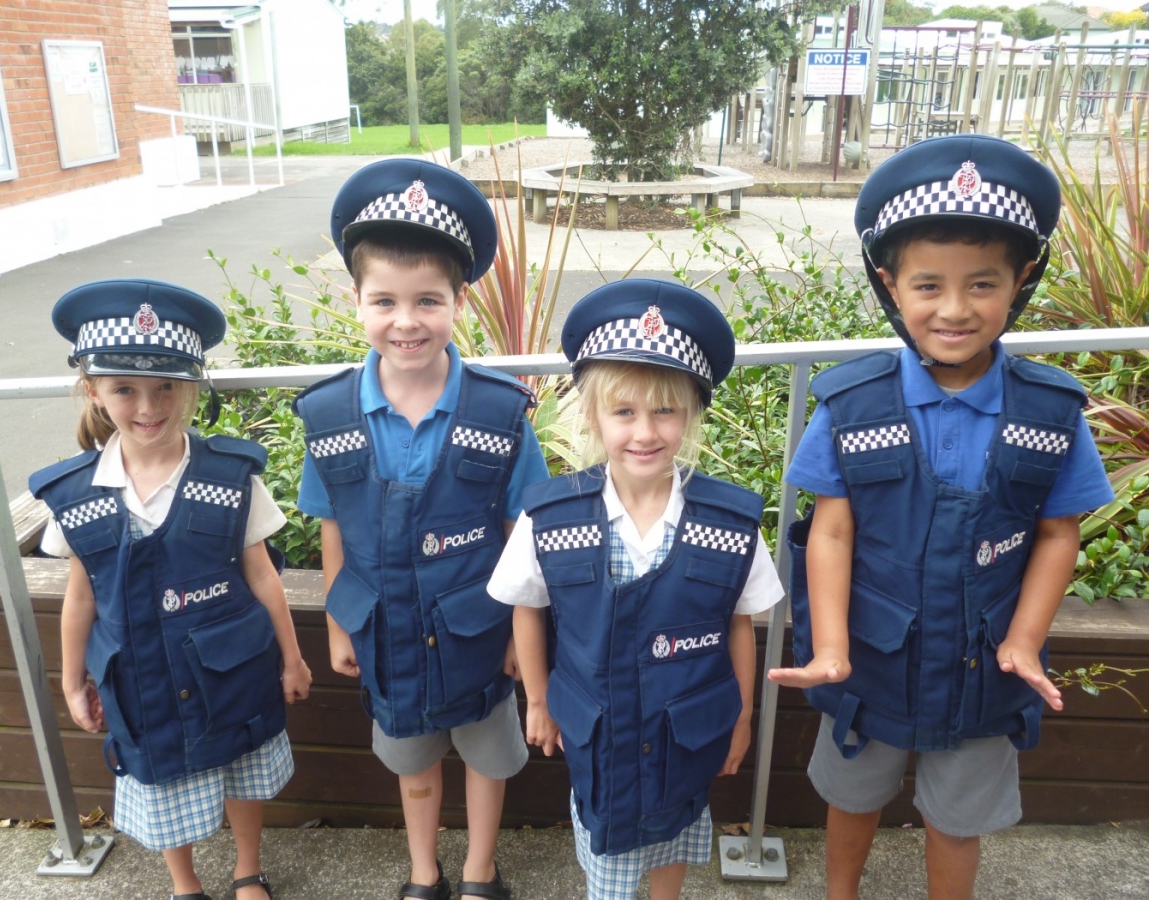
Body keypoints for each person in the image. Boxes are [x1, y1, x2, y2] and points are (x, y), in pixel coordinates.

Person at [767, 135, 1115, 900]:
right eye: (928, 285)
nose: (955, 310)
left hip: (986, 666)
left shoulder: (1050, 413)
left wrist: (1025, 641)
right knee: (853, 796)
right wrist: (830, 645)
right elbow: (830, 530)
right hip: (871, 659)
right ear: (889, 285)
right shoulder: (851, 405)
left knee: (959, 819)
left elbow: (1058, 532)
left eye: (982, 284)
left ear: (1022, 281)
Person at [295, 159, 550, 900]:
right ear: (356, 300)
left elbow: (525, 533)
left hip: (481, 635)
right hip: (385, 635)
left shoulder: (501, 413)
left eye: (428, 300)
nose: (405, 322)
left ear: (459, 301)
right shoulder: (330, 416)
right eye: (384, 300)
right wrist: (338, 625)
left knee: (488, 760)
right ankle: (423, 871)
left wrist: (520, 637)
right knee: (412, 764)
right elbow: (333, 527)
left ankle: (478, 871)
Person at [488, 279, 786, 900]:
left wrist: (742, 718)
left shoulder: (728, 526)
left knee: (675, 836)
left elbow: (738, 623)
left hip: (685, 735)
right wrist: (537, 700)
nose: (644, 432)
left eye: (665, 411)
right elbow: (527, 607)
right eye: (623, 411)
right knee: (610, 853)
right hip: (599, 734)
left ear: (692, 414)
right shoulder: (551, 519)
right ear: (592, 415)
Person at [30, 279, 312, 900]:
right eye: (125, 389)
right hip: (141, 684)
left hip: (233, 673)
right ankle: (185, 883)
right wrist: (72, 681)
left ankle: (248, 869)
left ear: (191, 387)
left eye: (165, 387)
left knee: (243, 769)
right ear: (93, 389)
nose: (148, 406)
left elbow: (262, 575)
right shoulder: (75, 497)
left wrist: (292, 659)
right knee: (160, 782)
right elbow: (81, 596)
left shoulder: (231, 477)